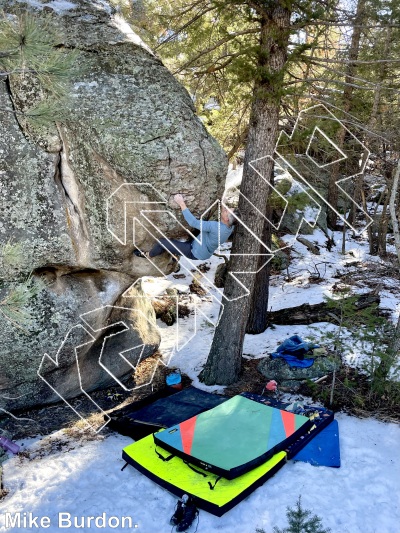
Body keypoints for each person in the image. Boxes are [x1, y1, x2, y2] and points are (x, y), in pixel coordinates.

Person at [134, 194, 239, 261]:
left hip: (194, 251)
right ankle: (176, 252)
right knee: (190, 236)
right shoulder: (230, 227)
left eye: (226, 211)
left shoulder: (215, 227)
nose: (224, 209)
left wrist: (181, 203)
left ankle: (148, 255)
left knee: (163, 242)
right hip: (203, 249)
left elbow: (193, 222)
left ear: (226, 219)